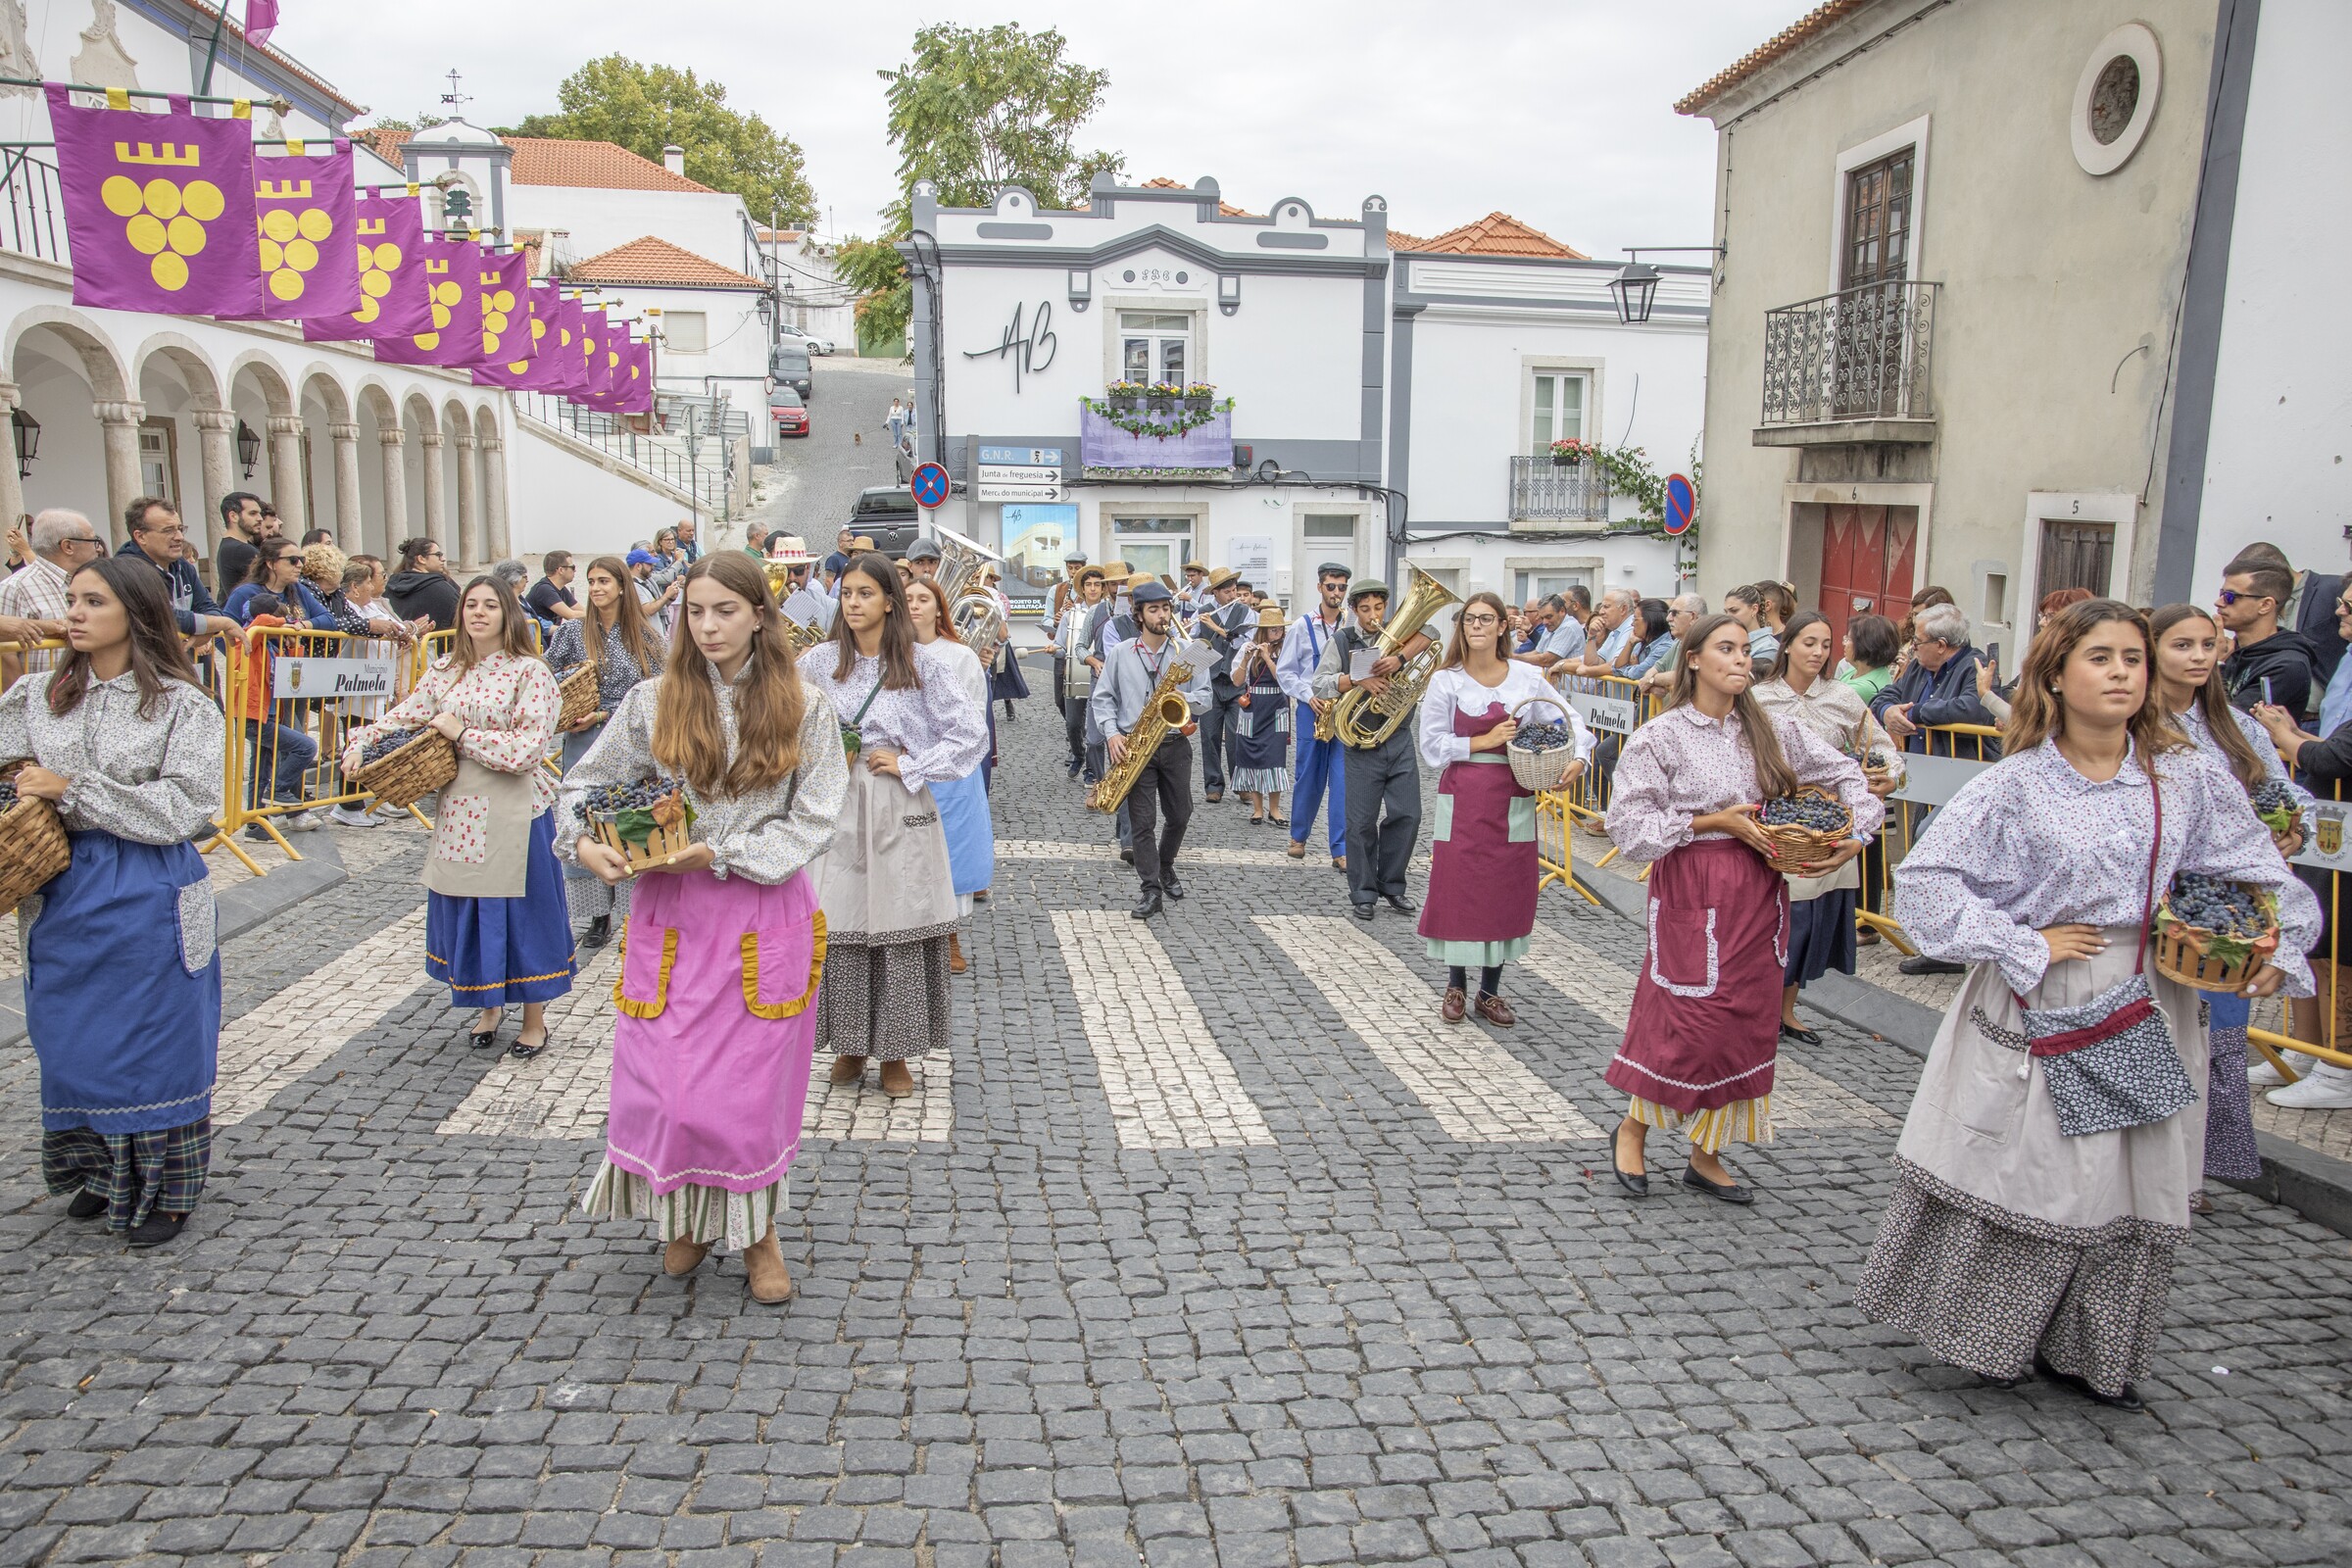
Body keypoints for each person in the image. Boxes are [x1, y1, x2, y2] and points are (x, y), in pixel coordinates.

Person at [1857, 599, 2316, 1411]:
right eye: (2100, 658)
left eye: (2133, 659)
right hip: (2049, 991)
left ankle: (2092, 1349)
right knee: (2037, 1167)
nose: (2121, 674)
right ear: (2057, 676)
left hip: (2153, 996)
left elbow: (2254, 869)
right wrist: (2023, 942)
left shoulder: (2186, 774)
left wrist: (2275, 945)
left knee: (2131, 1172)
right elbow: (1925, 882)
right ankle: (1994, 1333)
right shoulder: (2018, 783)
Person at [566, 552, 843, 1303]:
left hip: (760, 911)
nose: (709, 625)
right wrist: (585, 843)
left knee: (745, 1095)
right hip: (672, 915)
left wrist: (721, 852)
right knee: (671, 1087)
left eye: (726, 610)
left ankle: (758, 1233)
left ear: (759, 615)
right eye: (695, 611)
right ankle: (685, 1214)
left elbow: (817, 816)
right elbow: (582, 785)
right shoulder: (652, 701)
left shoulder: (805, 706)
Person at [1604, 612, 1881, 1203]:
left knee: (1743, 1021)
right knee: (1684, 1018)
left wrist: (1859, 833)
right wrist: (1711, 822)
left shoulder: (1770, 729)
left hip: (1759, 889)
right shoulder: (1661, 736)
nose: (1740, 660)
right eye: (1725, 649)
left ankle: (1707, 1152)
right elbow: (1627, 827)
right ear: (1694, 659)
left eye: (1744, 651)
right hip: (1692, 884)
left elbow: (1847, 772)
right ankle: (1633, 1129)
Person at [0, 557, 225, 1248]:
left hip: (149, 886)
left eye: (93, 601)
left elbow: (189, 806)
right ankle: (100, 1171)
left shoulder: (182, 704)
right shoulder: (38, 695)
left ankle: (168, 1189)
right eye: (72, 599)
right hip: (61, 887)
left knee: (155, 1041)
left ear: (136, 612)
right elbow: (8, 767)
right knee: (71, 1034)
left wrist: (72, 788)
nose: (74, 612)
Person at [343, 575, 573, 1055]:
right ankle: (489, 1006)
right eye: (471, 604)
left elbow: (528, 750)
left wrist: (462, 734)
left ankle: (534, 1019)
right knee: (472, 909)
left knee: (520, 914)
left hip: (516, 808)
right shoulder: (446, 669)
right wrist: (361, 742)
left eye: (491, 605)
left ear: (508, 613)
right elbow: (405, 716)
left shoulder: (530, 672)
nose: (479, 613)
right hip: (462, 806)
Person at [798, 553, 985, 1098]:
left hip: (897, 801)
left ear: (888, 601)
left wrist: (912, 763)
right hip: (837, 802)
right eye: (847, 593)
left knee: (901, 917)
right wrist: (814, 756)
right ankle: (850, 1044)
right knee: (843, 918)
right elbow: (782, 719)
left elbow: (970, 733)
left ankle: (896, 1052)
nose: (853, 603)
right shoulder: (818, 662)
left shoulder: (921, 664)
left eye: (865, 593)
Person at [2148, 603, 2312, 1200]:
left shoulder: (2234, 727)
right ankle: (2145, 1174)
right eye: (2182, 645)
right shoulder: (2130, 722)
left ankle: (2190, 1171)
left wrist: (2291, 828)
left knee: (2217, 1038)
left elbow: (2283, 792)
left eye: (2208, 645)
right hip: (2155, 903)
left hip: (2226, 912)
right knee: (2154, 1038)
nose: (2198, 657)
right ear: (2153, 650)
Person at [1419, 591, 1592, 1025]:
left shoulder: (1527, 678)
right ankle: (1455, 984)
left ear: (1502, 627)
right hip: (1462, 792)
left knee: (1503, 889)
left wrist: (1579, 757)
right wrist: (1483, 740)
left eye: (1485, 619)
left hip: (1511, 793)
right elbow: (1432, 746)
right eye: (1469, 619)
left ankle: (1490, 991)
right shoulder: (1446, 680)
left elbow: (1569, 721)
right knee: (1458, 886)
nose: (1476, 626)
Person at [1753, 612, 1903, 1042]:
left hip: (1827, 823)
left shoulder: (1843, 697)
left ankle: (1786, 1011)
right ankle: (1757, 1008)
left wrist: (1892, 775)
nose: (1819, 652)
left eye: (1825, 644)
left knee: (1809, 922)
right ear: (1787, 645)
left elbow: (1882, 748)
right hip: (1774, 821)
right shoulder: (1759, 698)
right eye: (1809, 643)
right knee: (1775, 919)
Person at [547, 556, 666, 953]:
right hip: (583, 740)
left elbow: (657, 695)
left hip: (631, 745)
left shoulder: (645, 637)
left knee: (625, 818)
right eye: (591, 581)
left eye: (603, 581)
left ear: (620, 586)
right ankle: (598, 915)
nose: (596, 588)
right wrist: (566, 707)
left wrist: (602, 713)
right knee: (586, 815)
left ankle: (633, 911)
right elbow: (547, 676)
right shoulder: (573, 632)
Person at [1314, 577, 1434, 920]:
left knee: (1409, 814)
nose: (1373, 615)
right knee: (1361, 822)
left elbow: (1432, 633)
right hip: (1361, 740)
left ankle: (1392, 884)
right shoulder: (1342, 640)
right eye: (1365, 609)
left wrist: (1399, 659)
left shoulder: (1400, 635)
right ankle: (1364, 891)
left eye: (1378, 608)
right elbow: (1319, 683)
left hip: (1398, 736)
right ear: (1353, 610)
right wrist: (1356, 680)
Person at [1093, 580, 1210, 920]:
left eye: (1166, 608)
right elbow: (1103, 698)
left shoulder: (1188, 651)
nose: (1162, 615)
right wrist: (1112, 735)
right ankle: (1151, 889)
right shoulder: (1120, 653)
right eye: (1154, 609)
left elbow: (1205, 699)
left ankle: (1166, 864)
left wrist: (1180, 698)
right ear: (1139, 615)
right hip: (1135, 745)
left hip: (1174, 744)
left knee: (1181, 815)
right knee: (1142, 823)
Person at [906, 576, 994, 971]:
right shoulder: (889, 653)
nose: (914, 605)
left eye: (923, 599)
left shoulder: (960, 656)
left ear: (939, 608)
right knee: (909, 852)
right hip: (903, 765)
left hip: (951, 768)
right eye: (908, 598)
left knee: (951, 850)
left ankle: (949, 937)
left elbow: (974, 714)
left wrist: (941, 748)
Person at [1279, 564, 1352, 870]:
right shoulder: (1301, 626)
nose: (1336, 592)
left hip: (1345, 709)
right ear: (1320, 587)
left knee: (1343, 779)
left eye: (1341, 587)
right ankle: (1299, 836)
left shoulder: (1352, 625)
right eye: (1331, 586)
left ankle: (1341, 849)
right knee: (1308, 775)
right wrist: (1308, 695)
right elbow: (1286, 671)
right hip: (1313, 708)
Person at [232, 591, 322, 837]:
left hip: (267, 713)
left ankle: (255, 823)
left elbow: (289, 674)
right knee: (305, 747)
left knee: (260, 770)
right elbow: (262, 620)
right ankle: (278, 790)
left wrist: (292, 644)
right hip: (253, 715)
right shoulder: (251, 636)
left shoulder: (269, 645)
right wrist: (291, 623)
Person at [117, 498, 235, 640]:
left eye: (180, 529)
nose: (180, 537)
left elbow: (209, 607)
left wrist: (209, 628)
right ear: (141, 537)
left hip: (185, 653)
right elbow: (164, 617)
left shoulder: (182, 565)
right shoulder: (126, 571)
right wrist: (220, 624)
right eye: (168, 531)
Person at [2217, 551, 2317, 719]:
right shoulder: (2234, 651)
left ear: (2265, 605)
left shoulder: (2287, 666)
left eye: (2230, 597)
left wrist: (2216, 666)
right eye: (2221, 594)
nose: (2219, 602)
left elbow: (2232, 724)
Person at [1230, 606, 1294, 825]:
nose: (1278, 634)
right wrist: (1246, 659)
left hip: (1276, 709)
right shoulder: (1247, 647)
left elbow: (1283, 680)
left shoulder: (1285, 650)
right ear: (1263, 631)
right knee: (1252, 756)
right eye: (1273, 630)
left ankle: (1274, 809)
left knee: (1275, 758)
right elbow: (1237, 681)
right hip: (1253, 708)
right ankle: (1258, 809)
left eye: (1280, 629)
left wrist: (1267, 658)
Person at [1194, 566, 1250, 802]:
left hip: (1236, 682)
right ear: (1215, 593)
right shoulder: (1203, 611)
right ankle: (1213, 786)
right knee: (1209, 735)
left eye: (1234, 590)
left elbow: (1243, 643)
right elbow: (1193, 642)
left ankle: (1241, 784)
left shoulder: (1245, 612)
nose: (1233, 595)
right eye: (1227, 592)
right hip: (1211, 680)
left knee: (1237, 736)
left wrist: (1217, 628)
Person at [0, 509, 100, 628]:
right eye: (93, 541)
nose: (98, 548)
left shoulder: (96, 580)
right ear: (68, 546)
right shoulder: (15, 588)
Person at [1054, 566, 1105, 780]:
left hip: (1099, 676)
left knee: (1095, 728)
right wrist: (1054, 650)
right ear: (1082, 589)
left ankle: (1092, 770)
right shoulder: (1070, 615)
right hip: (1074, 675)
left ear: (1103, 588)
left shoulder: (1109, 614)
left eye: (1097, 585)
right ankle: (1078, 754)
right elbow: (1060, 647)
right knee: (1073, 723)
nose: (1093, 589)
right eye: (1088, 585)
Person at [223, 538, 334, 628]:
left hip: (297, 650)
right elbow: (222, 634)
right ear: (271, 563)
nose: (300, 565)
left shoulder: (299, 589)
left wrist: (302, 625)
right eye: (293, 560)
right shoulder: (244, 593)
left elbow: (329, 619)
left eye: (302, 559)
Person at [386, 536, 462, 631]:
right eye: (438, 554)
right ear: (421, 559)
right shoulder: (443, 587)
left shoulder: (389, 586)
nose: (443, 559)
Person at [1639, 594, 1707, 695]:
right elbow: (1655, 668)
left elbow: (1689, 676)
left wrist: (1653, 680)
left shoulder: (1706, 643)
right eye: (1669, 613)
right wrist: (1652, 686)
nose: (1668, 618)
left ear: (1693, 616)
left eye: (1675, 613)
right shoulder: (1678, 643)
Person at [1837, 613, 1902, 708]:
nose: (1844, 643)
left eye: (1849, 639)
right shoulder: (1859, 669)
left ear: (1864, 645)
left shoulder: (1864, 688)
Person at [212, 492, 271, 594]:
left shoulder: (232, 546)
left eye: (259, 513)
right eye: (252, 513)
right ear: (233, 516)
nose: (260, 518)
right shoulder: (239, 549)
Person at [1514, 594, 1587, 671]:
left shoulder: (1569, 627)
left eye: (1548, 617)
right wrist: (1513, 658)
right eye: (1542, 618)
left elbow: (1547, 660)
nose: (1544, 622)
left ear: (1562, 611)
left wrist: (1515, 658)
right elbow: (1538, 652)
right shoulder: (1552, 625)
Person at [1726, 585, 1780, 677]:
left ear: (1754, 609)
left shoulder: (1768, 648)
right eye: (1726, 612)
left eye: (1734, 611)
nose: (1728, 617)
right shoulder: (1729, 640)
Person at [1619, 599, 1677, 681]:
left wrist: (1633, 668)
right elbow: (1616, 669)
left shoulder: (1665, 647)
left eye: (1635, 619)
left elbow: (1636, 673)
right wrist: (1630, 642)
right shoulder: (1640, 643)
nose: (1632, 624)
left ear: (1649, 620)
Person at [527, 551, 582, 634]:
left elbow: (581, 610)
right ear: (561, 570)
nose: (575, 571)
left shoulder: (561, 588)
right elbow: (571, 615)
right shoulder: (544, 589)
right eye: (573, 567)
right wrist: (598, 614)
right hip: (540, 641)